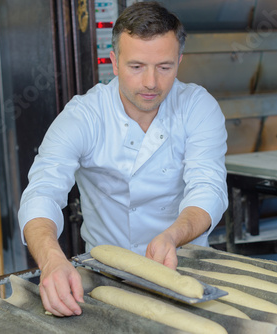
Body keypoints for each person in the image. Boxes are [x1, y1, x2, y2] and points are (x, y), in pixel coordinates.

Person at [18, 1, 228, 317]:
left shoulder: (198, 107)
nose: (151, 83)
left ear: (179, 62)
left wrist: (173, 235)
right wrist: (51, 260)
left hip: (187, 270)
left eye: (164, 67)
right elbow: (42, 193)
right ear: (114, 63)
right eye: (136, 66)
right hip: (105, 279)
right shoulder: (84, 117)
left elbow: (208, 188)